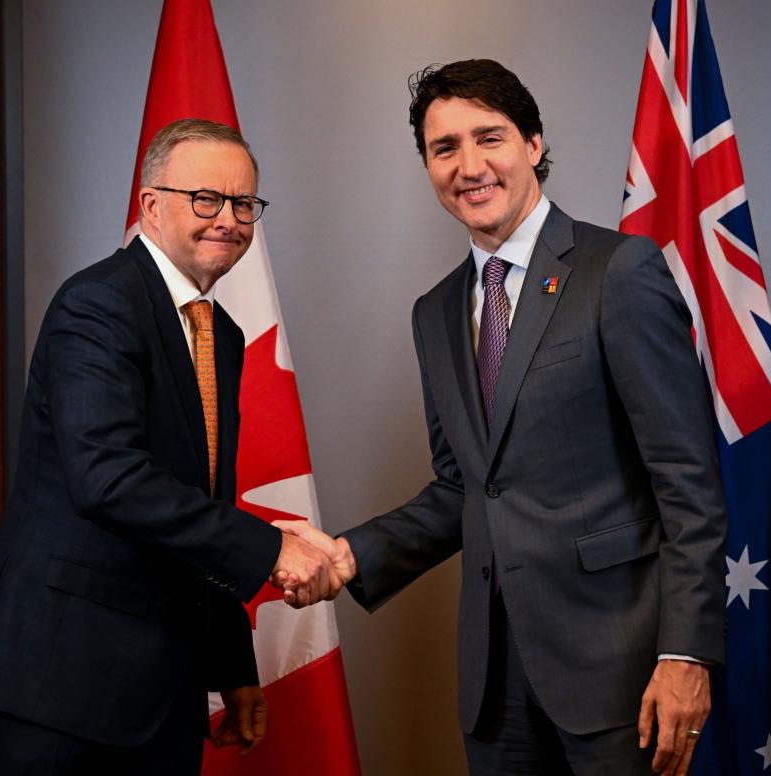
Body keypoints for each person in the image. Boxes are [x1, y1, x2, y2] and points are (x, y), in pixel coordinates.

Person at [277, 60, 727, 775]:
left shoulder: (618, 272)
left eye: (489, 137)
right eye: (443, 148)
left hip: (621, 673)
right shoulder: (434, 313)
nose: (469, 165)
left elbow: (687, 482)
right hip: (495, 683)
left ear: (534, 143)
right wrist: (347, 555)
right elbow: (464, 487)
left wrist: (685, 654)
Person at [0, 118, 339, 775]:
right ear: (151, 206)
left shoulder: (218, 332)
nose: (227, 219)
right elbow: (108, 479)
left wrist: (230, 665)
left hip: (162, 692)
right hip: (58, 689)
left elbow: (199, 505)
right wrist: (273, 549)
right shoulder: (97, 304)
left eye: (243, 203)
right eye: (205, 199)